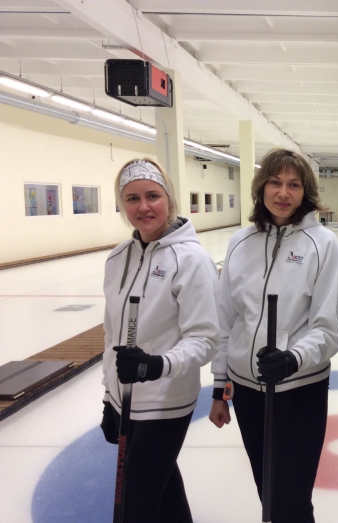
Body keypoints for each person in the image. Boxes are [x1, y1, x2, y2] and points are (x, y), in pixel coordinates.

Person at [209, 148, 338, 523]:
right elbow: (225, 320)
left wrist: (292, 359)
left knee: (291, 500)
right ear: (261, 187)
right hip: (247, 390)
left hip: (299, 390)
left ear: (306, 192)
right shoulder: (240, 242)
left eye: (294, 185)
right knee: (267, 492)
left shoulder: (323, 244)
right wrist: (220, 387)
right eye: (275, 182)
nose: (283, 193)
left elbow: (327, 329)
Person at [100, 159, 220, 523]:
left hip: (165, 401)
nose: (143, 206)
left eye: (153, 195)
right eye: (132, 198)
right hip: (124, 399)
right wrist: (108, 397)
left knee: (136, 505)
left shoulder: (191, 259)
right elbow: (111, 334)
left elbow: (205, 338)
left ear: (169, 199)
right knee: (164, 494)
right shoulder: (117, 258)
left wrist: (157, 366)